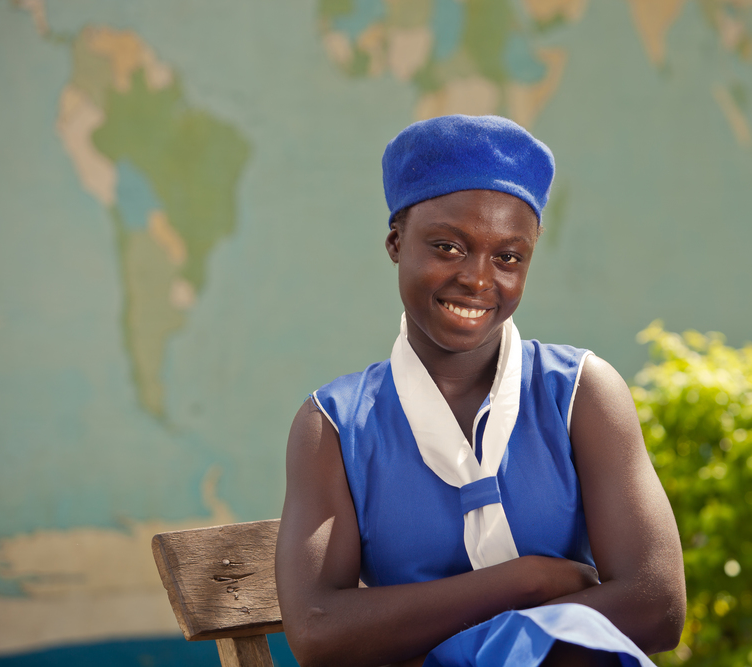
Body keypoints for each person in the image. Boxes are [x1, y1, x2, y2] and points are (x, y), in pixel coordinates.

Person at [275, 115, 686, 667]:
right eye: (448, 247)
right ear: (397, 242)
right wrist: (526, 581)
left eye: (508, 257)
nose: (478, 278)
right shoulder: (335, 425)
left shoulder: (579, 394)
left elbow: (657, 604)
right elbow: (318, 632)